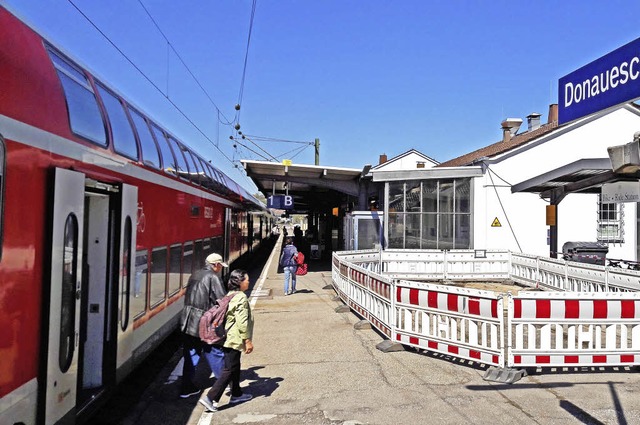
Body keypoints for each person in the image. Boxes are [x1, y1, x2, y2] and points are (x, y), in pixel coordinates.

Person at [199, 269, 254, 412]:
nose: (249, 281)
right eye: (246, 279)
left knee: (234, 366)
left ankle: (236, 393)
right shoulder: (241, 297)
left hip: (227, 336)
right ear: (240, 282)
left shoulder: (230, 295)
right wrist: (247, 340)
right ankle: (210, 398)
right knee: (229, 369)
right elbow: (242, 321)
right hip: (235, 338)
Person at [178, 253, 228, 398]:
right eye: (220, 266)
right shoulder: (213, 277)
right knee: (215, 352)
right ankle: (222, 383)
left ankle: (186, 388)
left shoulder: (195, 274)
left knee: (191, 354)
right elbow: (221, 301)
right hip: (204, 323)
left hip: (188, 321)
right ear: (216, 265)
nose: (220, 269)